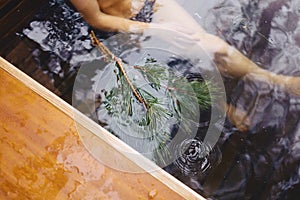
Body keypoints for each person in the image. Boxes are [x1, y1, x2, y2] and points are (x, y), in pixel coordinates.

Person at [70, 0, 300, 130]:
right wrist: (156, 30)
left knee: (209, 46)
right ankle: (223, 106)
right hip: (129, 23)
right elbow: (97, 19)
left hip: (153, 3)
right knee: (179, 63)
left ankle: (275, 80)